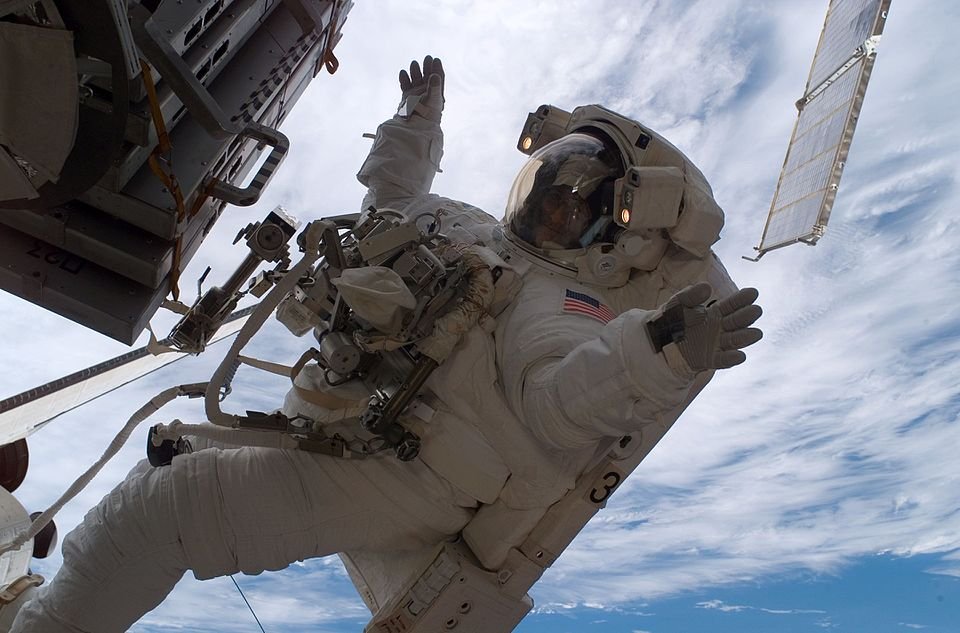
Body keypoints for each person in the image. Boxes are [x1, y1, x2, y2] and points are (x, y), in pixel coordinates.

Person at [4, 56, 762, 632]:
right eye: (551, 184)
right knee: (164, 474)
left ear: (613, 237)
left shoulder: (561, 304)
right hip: (345, 420)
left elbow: (560, 401)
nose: (553, 208)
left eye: (576, 204)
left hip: (406, 473)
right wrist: (417, 120)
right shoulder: (471, 229)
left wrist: (657, 350)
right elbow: (397, 198)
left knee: (160, 510)